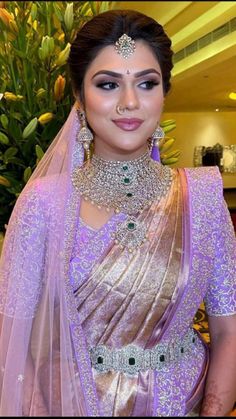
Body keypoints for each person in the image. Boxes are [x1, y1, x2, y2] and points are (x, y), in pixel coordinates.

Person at [0, 9, 235, 417]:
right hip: (70, 406)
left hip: (180, 406)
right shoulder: (44, 203)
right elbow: (13, 343)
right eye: (108, 84)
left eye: (146, 83)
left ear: (164, 92)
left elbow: (229, 331)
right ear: (80, 96)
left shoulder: (202, 198)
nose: (130, 103)